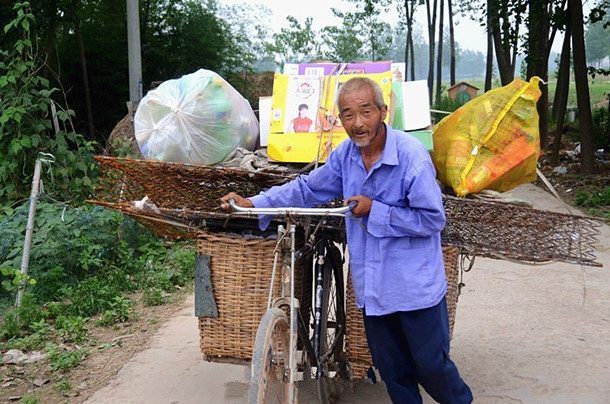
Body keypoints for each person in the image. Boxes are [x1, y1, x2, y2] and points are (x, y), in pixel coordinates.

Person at [221, 77, 473, 404]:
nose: (357, 123)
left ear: (382, 111)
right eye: (348, 115)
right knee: (392, 369)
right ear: (340, 120)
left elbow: (432, 218)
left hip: (414, 288)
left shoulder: (411, 157)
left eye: (365, 111)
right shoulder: (346, 156)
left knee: (431, 365)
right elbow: (308, 188)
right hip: (374, 288)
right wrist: (256, 203)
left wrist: (375, 210)